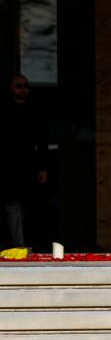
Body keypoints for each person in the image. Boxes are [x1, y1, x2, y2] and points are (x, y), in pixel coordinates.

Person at [0, 74, 47, 247]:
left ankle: (24, 244)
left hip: (29, 165)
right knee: (12, 205)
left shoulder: (35, 111)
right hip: (7, 166)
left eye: (26, 85)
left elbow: (42, 140)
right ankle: (18, 245)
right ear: (11, 88)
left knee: (27, 206)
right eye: (18, 85)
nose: (23, 89)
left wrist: (43, 167)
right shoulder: (4, 109)